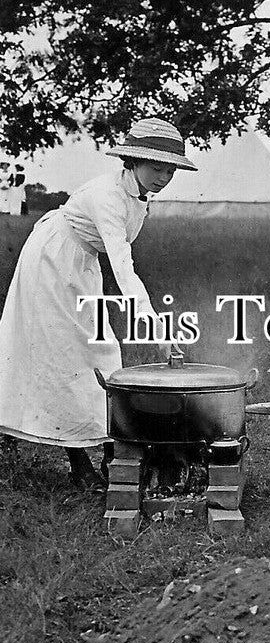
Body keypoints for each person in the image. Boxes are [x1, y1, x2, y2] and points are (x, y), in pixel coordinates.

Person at [0, 117, 195, 488]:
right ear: (132, 162)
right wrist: (158, 329)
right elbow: (124, 269)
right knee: (64, 353)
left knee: (101, 352)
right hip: (53, 260)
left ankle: (112, 453)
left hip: (82, 262)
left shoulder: (136, 196)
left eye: (170, 170)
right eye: (156, 167)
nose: (163, 177)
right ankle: (79, 462)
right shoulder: (108, 196)